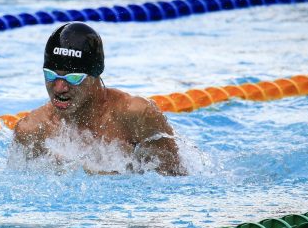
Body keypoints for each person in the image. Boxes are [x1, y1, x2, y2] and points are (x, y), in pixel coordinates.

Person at [12, 22, 187, 176]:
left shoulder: (136, 115)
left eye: (73, 78)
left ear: (95, 74)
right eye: (50, 75)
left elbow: (174, 178)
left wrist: (115, 177)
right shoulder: (32, 131)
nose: (59, 88)